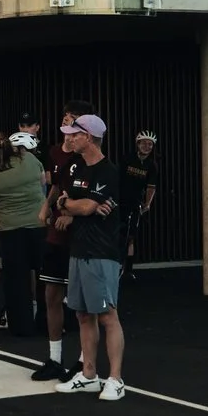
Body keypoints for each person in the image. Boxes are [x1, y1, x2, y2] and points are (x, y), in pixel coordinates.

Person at [50, 115, 127, 400]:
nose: (68, 139)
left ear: (89, 138)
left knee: (107, 315)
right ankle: (89, 374)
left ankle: (116, 379)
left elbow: (84, 207)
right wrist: (70, 205)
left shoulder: (107, 171)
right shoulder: (76, 168)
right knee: (83, 314)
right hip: (78, 251)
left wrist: (78, 207)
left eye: (74, 134)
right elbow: (68, 203)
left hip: (101, 253)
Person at [36, 101, 95, 372]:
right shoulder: (56, 153)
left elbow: (95, 198)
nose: (68, 129)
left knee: (83, 303)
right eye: (66, 122)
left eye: (74, 123)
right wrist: (46, 206)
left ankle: (84, 361)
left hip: (80, 238)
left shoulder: (91, 158)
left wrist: (72, 213)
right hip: (56, 237)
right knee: (51, 294)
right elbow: (58, 183)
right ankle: (54, 358)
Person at [0, 130, 46, 338]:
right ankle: (47, 322)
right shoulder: (32, 160)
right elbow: (42, 183)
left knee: (16, 280)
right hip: (38, 226)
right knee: (44, 276)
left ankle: (21, 327)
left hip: (10, 230)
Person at [118, 130, 160, 274]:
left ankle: (128, 270)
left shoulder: (151, 165)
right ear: (138, 144)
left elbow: (151, 187)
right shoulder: (127, 159)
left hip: (135, 203)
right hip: (120, 201)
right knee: (118, 233)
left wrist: (147, 204)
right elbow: (117, 179)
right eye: (144, 143)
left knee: (131, 236)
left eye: (150, 144)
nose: (147, 146)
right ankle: (116, 264)